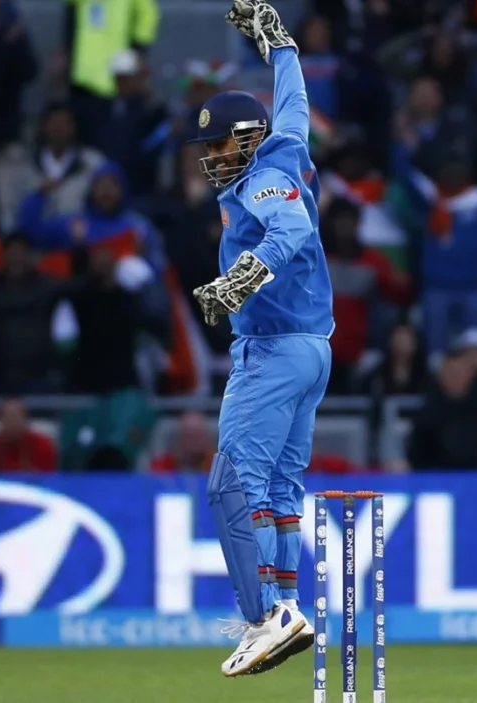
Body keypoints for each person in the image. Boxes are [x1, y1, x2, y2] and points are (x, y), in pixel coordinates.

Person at [190, 1, 333, 678]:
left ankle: (262, 618)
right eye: (207, 149)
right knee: (278, 488)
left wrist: (237, 283)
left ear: (248, 141)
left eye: (222, 146)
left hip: (274, 349)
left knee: (231, 484)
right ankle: (286, 604)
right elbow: (294, 99)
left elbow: (292, 233)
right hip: (312, 349)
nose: (214, 159)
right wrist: (280, 47)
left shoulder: (267, 178)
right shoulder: (287, 144)